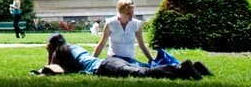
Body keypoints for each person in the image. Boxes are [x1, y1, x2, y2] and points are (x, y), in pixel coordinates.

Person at [43, 33, 209, 80]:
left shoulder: (61, 54)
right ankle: (194, 67)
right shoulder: (73, 47)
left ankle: (180, 68)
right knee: (142, 69)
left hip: (104, 67)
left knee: (141, 73)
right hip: (111, 60)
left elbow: (52, 70)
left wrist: (49, 55)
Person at [93, 0, 153, 66]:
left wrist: (151, 60)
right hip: (113, 59)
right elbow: (101, 44)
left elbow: (142, 45)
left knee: (142, 68)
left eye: (132, 13)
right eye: (128, 14)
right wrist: (92, 60)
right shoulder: (110, 23)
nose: (131, 16)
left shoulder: (136, 24)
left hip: (130, 60)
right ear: (120, 12)